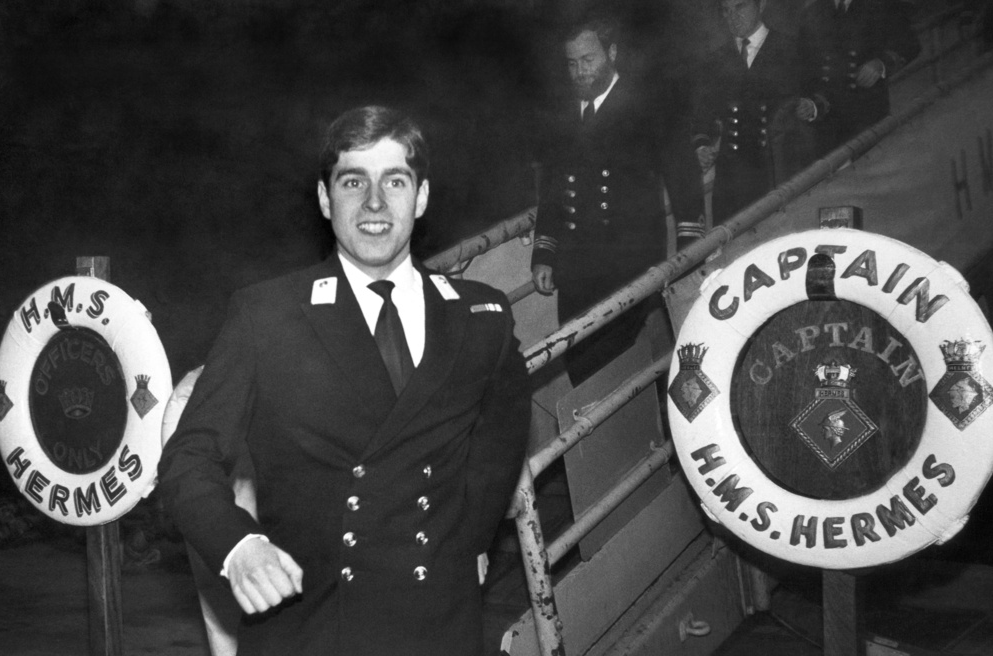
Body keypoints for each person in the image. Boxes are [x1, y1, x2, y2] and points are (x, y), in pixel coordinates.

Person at [157, 105, 531, 656]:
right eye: (353, 181)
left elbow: (499, 444)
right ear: (326, 199)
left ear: (420, 197)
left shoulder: (482, 316)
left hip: (439, 627)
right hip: (312, 623)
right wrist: (239, 545)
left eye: (394, 181)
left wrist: (466, 544)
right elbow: (188, 458)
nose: (374, 203)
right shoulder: (268, 316)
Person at [531, 14, 705, 387]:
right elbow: (553, 186)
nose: (579, 72)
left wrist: (689, 254)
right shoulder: (563, 114)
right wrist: (545, 250)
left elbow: (684, 181)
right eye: (572, 63)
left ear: (611, 53)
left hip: (631, 261)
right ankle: (596, 444)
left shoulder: (649, 104)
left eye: (588, 60)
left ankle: (641, 443)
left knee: (629, 367)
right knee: (582, 361)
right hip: (576, 266)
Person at [692, 0, 815, 225]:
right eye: (726, 11)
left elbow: (813, 98)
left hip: (776, 172)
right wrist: (701, 144)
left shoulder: (790, 49)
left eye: (740, 7)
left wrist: (810, 107)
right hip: (731, 179)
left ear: (761, 6)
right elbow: (702, 113)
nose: (732, 16)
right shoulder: (717, 59)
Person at [796, 0, 921, 153]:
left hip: (867, 114)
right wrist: (810, 102)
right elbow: (803, 67)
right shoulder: (813, 12)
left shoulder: (880, 5)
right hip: (826, 119)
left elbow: (910, 44)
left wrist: (881, 63)